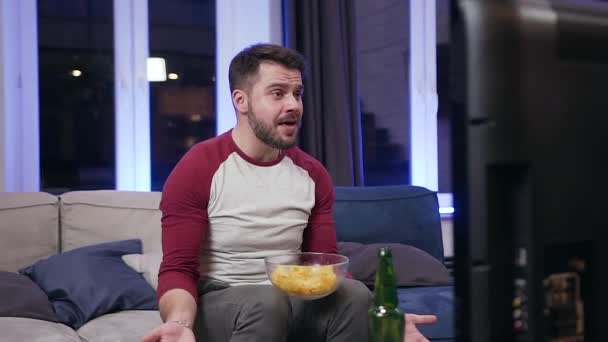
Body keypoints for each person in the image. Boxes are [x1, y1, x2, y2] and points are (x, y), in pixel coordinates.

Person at [141, 43, 436, 342]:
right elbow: (178, 268)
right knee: (267, 303)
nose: (294, 105)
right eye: (278, 93)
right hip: (219, 301)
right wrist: (180, 323)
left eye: (297, 93)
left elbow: (326, 270)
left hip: (289, 298)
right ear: (241, 101)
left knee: (355, 294)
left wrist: (378, 316)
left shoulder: (312, 174)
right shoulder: (199, 166)